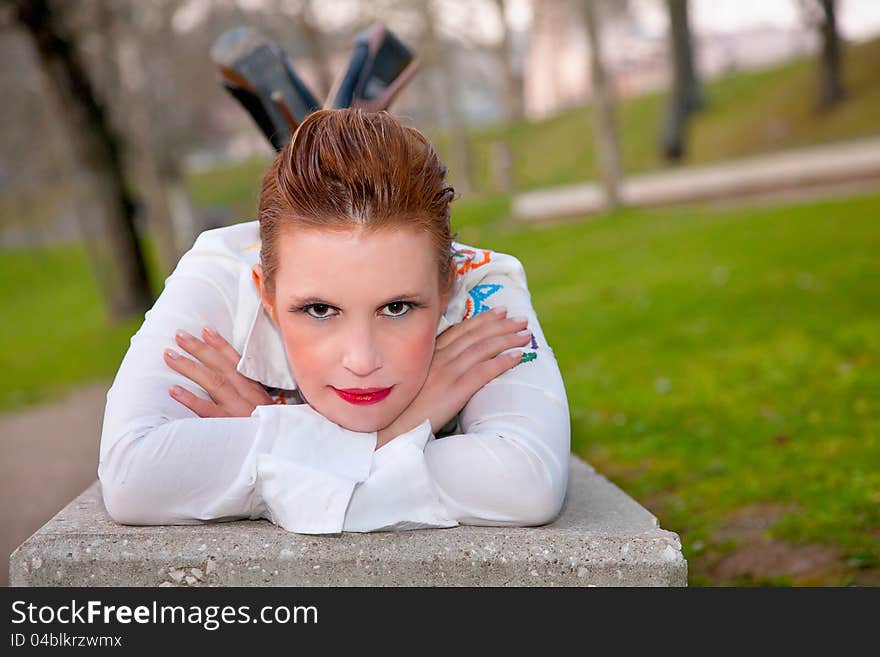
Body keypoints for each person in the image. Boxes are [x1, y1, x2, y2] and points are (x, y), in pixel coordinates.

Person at [98, 108, 570, 535]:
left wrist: (271, 442)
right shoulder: (216, 280)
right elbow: (131, 476)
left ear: (447, 287)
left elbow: (526, 481)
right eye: (319, 310)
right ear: (266, 293)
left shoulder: (484, 290)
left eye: (398, 308)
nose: (361, 360)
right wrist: (405, 425)